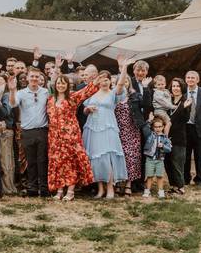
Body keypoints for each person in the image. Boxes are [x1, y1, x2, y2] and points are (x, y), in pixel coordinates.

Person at [45, 64, 98, 201]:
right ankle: (59, 190)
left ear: (67, 85)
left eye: (63, 83)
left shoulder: (73, 97)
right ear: (55, 85)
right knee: (58, 162)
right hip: (55, 136)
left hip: (70, 135)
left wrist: (96, 80)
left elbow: (87, 91)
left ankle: (70, 191)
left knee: (70, 162)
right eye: (59, 83)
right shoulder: (50, 100)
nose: (61, 85)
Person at [81, 57, 132, 199]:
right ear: (98, 81)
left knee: (107, 158)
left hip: (108, 128)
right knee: (96, 158)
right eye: (101, 79)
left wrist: (123, 68)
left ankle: (110, 188)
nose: (104, 82)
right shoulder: (92, 94)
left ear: (110, 81)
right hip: (93, 128)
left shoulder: (113, 93)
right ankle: (100, 189)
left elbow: (121, 83)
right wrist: (88, 109)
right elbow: (84, 110)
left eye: (106, 79)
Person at [8, 67, 50, 197]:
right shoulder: (21, 93)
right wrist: (12, 90)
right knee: (30, 161)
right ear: (27, 78)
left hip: (42, 130)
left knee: (42, 160)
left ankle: (44, 188)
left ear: (40, 78)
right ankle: (32, 187)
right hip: (27, 131)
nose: (34, 79)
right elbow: (13, 104)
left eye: (37, 77)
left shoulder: (46, 92)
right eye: (32, 76)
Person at [164, 78, 190, 195]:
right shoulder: (168, 100)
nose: (175, 88)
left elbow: (185, 118)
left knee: (177, 162)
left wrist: (170, 122)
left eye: (178, 86)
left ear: (182, 88)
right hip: (166, 135)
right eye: (174, 86)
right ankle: (173, 186)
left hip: (179, 136)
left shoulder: (186, 101)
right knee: (168, 162)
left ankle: (181, 186)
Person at [143, 116, 171, 199]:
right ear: (153, 127)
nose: (157, 128)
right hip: (150, 159)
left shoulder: (165, 138)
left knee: (160, 176)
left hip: (160, 160)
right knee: (149, 176)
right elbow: (145, 129)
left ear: (163, 127)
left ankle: (160, 191)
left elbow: (169, 149)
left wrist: (163, 146)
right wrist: (149, 120)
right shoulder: (149, 135)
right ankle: (147, 191)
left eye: (159, 126)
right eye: (155, 127)